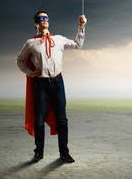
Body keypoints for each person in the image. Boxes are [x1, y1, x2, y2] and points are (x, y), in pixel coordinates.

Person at [16, 10, 87, 163]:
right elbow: (20, 60)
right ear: (36, 23)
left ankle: (64, 153)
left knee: (62, 119)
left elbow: (77, 45)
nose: (44, 20)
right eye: (41, 18)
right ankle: (39, 152)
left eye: (46, 17)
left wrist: (81, 26)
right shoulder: (30, 43)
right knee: (39, 119)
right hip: (40, 84)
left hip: (58, 82)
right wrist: (29, 72)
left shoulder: (59, 39)